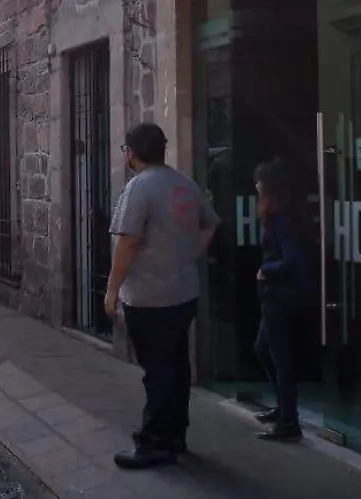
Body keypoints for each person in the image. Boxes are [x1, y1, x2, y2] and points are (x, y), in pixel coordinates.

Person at [106, 122, 219, 470]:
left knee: (157, 371)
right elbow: (210, 223)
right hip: (183, 292)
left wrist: (111, 290)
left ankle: (155, 442)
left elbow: (127, 242)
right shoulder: (184, 183)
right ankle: (175, 435)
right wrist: (187, 254)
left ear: (132, 152)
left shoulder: (139, 187)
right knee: (176, 366)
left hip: (149, 296)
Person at [252, 158, 313, 443]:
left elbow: (293, 260)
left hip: (279, 295)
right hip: (275, 295)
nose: (256, 186)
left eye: (259, 182)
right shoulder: (280, 216)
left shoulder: (283, 219)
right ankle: (283, 408)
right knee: (264, 350)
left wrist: (267, 270)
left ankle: (289, 421)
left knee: (279, 357)